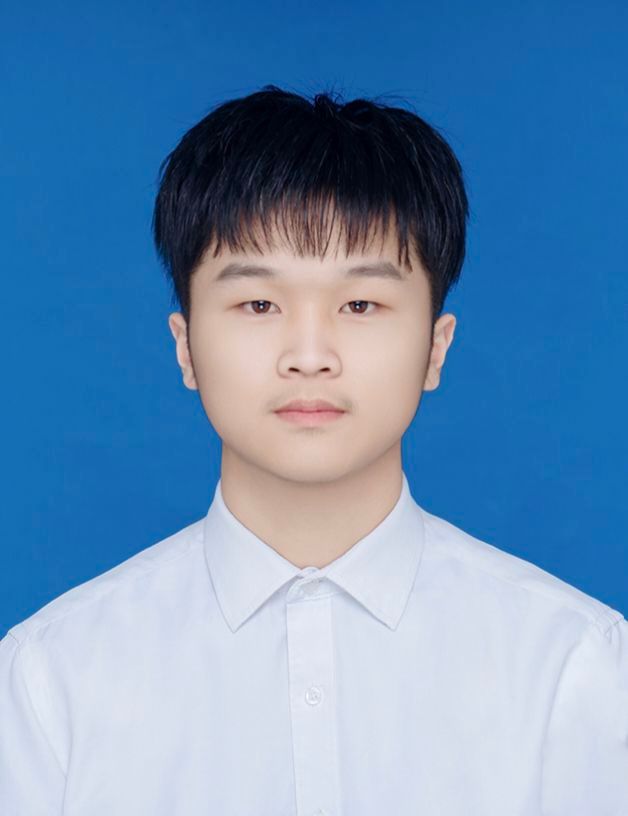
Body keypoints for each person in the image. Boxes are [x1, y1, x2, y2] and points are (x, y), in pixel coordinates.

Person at [1, 85, 626, 816]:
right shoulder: (51, 679)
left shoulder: (575, 667)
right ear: (185, 346)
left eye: (360, 305)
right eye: (258, 304)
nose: (308, 354)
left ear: (436, 346)